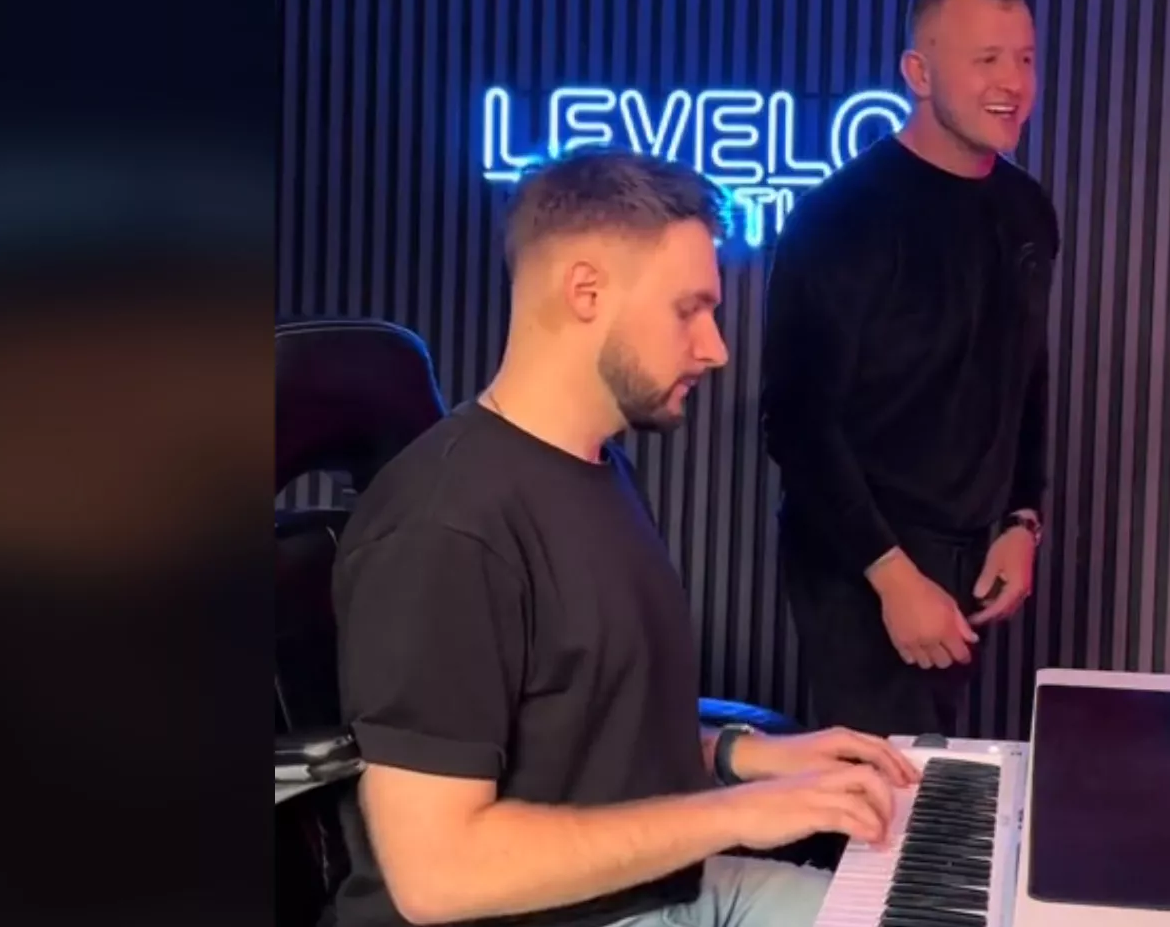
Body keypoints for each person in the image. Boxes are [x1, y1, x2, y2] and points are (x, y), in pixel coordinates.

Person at [330, 148, 919, 927]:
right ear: (586, 291)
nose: (716, 347)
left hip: (650, 888)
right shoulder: (446, 526)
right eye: (688, 309)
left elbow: (588, 740)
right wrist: (738, 812)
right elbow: (436, 873)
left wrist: (746, 755)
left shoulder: (599, 469)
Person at [761, 0, 1059, 738]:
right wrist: (892, 576)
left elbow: (1025, 376)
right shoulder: (840, 217)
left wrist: (1022, 520)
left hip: (975, 550)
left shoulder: (1026, 209)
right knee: (885, 781)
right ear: (918, 73)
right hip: (859, 554)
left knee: (934, 766)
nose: (1012, 82)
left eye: (1024, 58)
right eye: (986, 59)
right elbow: (795, 421)